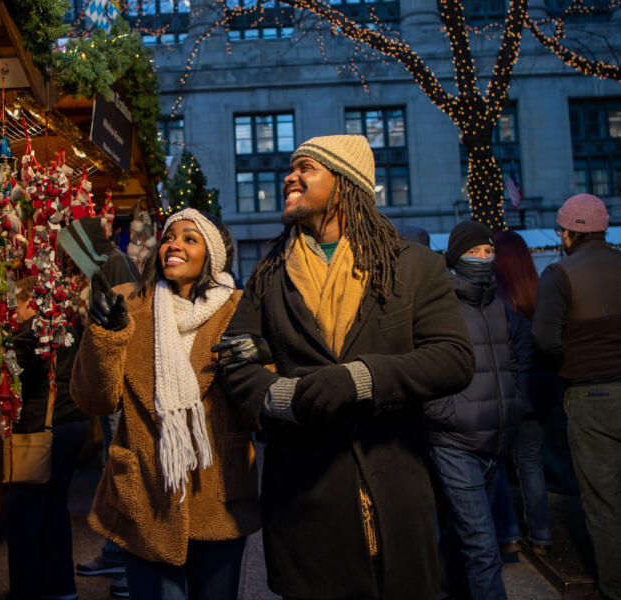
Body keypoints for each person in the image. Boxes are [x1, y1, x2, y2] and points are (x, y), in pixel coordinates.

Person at [212, 135, 474, 600]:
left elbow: (453, 358)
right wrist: (283, 397)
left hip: (392, 484)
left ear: (346, 182)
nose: (289, 176)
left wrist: (360, 379)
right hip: (305, 497)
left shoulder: (411, 266)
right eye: (291, 168)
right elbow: (233, 359)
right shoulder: (269, 272)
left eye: (306, 168)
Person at [70, 208, 260, 600]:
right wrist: (106, 336)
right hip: (146, 493)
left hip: (218, 493)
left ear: (212, 256)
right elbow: (96, 399)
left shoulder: (237, 310)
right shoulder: (129, 304)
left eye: (189, 238)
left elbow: (259, 411)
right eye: (170, 236)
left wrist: (260, 357)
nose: (173, 244)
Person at [426, 221, 529, 600]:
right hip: (455, 442)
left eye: (489, 252)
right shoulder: (442, 306)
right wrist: (445, 414)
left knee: (461, 534)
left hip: (494, 441)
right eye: (474, 252)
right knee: (483, 547)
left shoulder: (499, 304)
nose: (484, 259)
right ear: (455, 258)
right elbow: (425, 366)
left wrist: (513, 405)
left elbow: (513, 361)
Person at [532, 194, 621, 600]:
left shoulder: (559, 274)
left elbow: (545, 341)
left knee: (604, 499)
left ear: (567, 233)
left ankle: (615, 587)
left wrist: (572, 361)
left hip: (592, 395)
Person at [57, 216, 140, 593]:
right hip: (115, 384)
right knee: (114, 466)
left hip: (122, 385)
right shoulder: (104, 266)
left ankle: (129, 561)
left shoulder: (113, 265)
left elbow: (127, 323)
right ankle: (117, 554)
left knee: (123, 466)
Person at [0, 276, 90, 600]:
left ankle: (26, 590)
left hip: (44, 429)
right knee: (54, 509)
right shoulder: (64, 322)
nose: (16, 312)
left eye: (17, 305)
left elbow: (12, 369)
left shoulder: (37, 326)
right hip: (72, 421)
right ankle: (60, 586)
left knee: (23, 516)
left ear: (28, 301)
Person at [490, 229, 557, 558]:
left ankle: (509, 535)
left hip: (507, 394)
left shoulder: (497, 302)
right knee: (531, 464)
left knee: (500, 464)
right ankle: (542, 536)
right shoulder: (538, 293)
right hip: (537, 393)